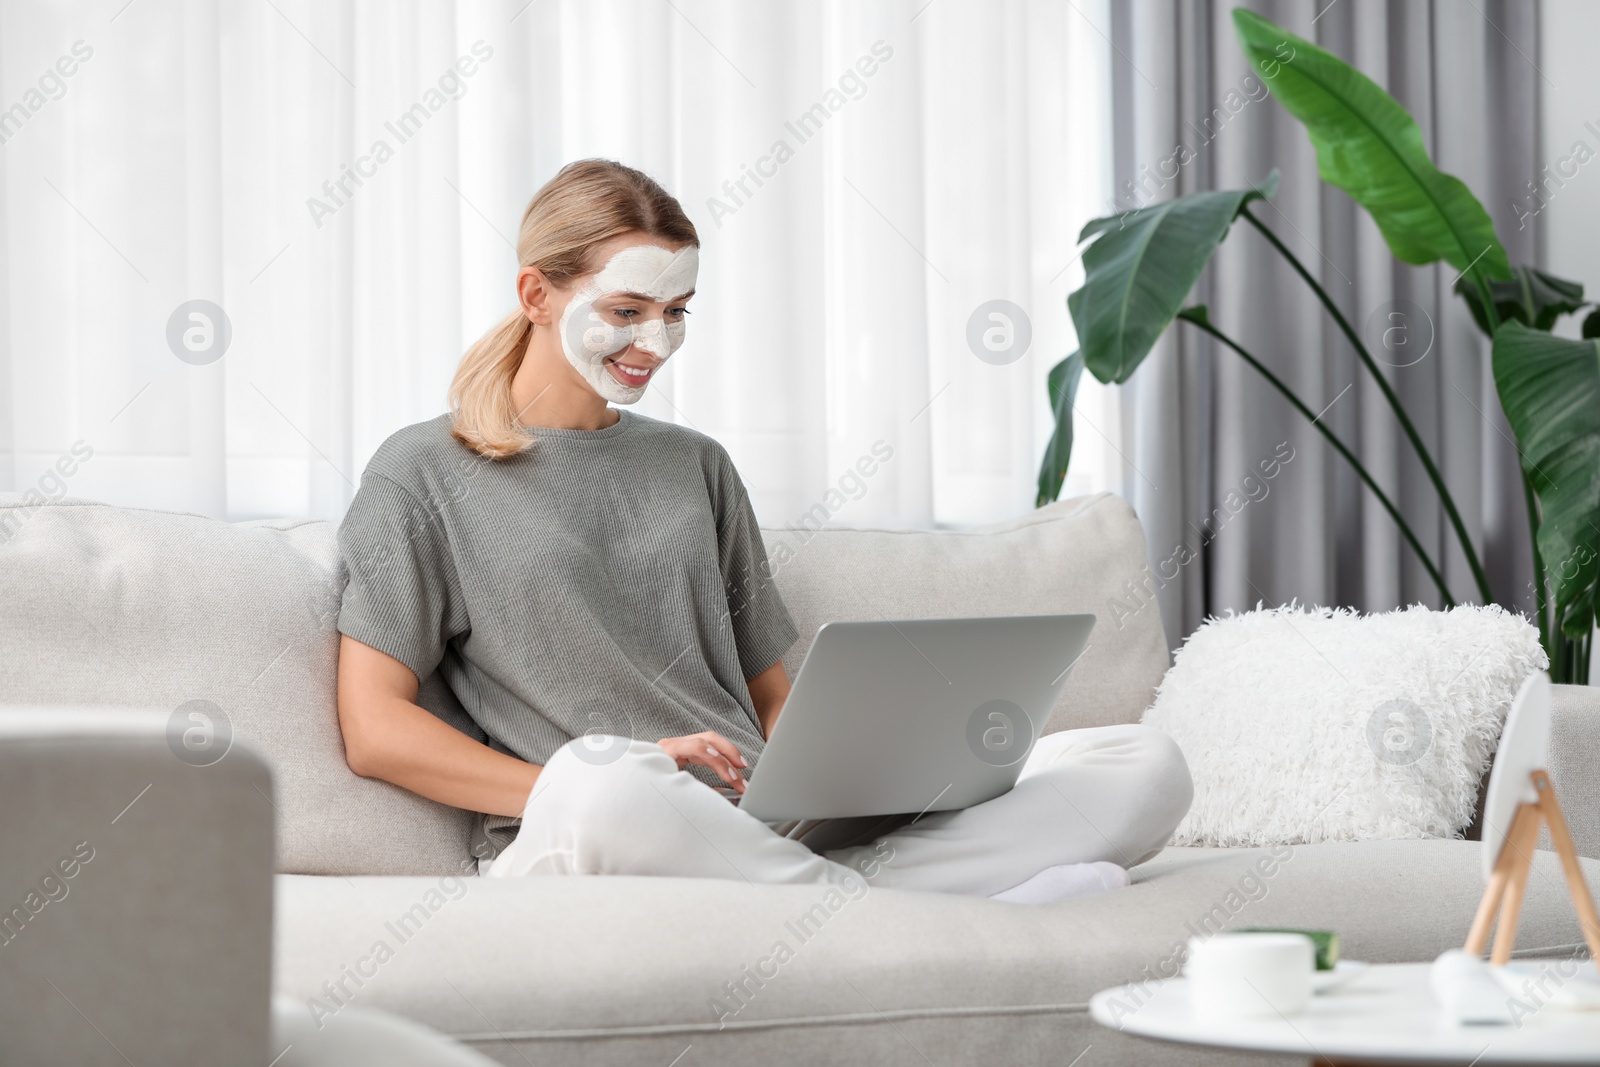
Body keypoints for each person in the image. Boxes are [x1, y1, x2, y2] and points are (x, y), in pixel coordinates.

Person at [334, 158, 1192, 904]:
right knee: (612, 784)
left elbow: (772, 692)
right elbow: (374, 726)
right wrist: (582, 777)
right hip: (591, 828)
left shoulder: (694, 465)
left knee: (1143, 764)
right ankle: (917, 904)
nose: (656, 341)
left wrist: (849, 774)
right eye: (628, 309)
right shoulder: (421, 473)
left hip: (755, 827)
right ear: (536, 293)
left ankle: (838, 903)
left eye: (677, 312)